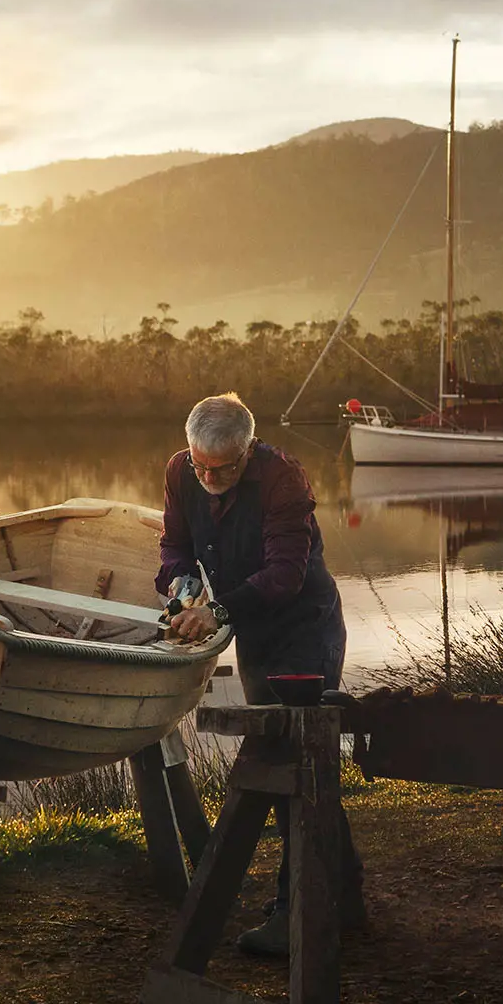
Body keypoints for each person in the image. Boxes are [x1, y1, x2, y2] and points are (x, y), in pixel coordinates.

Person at [157, 391, 348, 953]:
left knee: (294, 763)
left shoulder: (283, 479)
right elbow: (173, 546)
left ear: (248, 450)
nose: (210, 476)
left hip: (304, 627)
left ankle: (296, 918)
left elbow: (285, 575)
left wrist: (215, 611)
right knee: (301, 764)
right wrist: (182, 585)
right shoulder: (179, 470)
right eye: (201, 465)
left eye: (225, 468)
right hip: (254, 629)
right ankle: (343, 896)